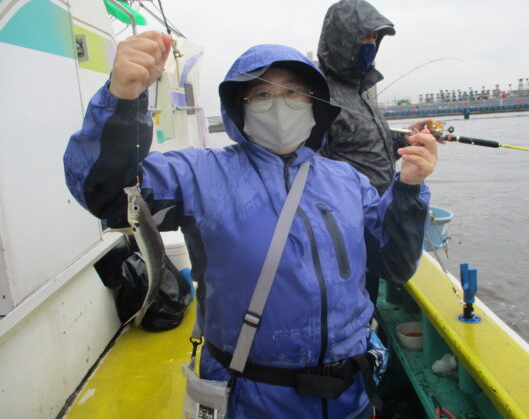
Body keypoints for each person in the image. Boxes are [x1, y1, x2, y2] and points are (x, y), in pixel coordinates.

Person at [63, 31, 437, 418]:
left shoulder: (349, 181)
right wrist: (122, 102)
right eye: (261, 94)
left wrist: (408, 189)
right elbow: (107, 195)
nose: (279, 104)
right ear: (239, 106)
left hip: (352, 399)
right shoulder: (200, 174)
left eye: (294, 92)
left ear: (314, 102)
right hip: (251, 402)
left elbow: (394, 265)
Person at [318, 0, 434, 305]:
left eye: (374, 38)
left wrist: (406, 140)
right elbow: (312, 170)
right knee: (357, 293)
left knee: (370, 291)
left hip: (381, 212)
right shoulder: (320, 94)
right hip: (351, 226)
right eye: (365, 37)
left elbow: (364, 146)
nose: (371, 45)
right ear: (343, 39)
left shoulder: (361, 91)